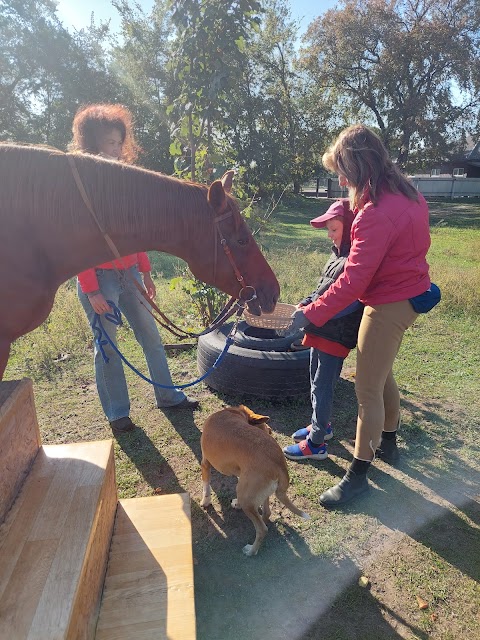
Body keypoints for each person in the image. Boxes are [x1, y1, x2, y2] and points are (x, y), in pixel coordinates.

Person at [289, 124, 434, 507]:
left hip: (389, 302)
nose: (339, 178)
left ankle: (357, 478)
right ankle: (388, 443)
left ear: (356, 166)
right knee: (380, 371)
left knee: (366, 390)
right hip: (408, 293)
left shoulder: (375, 212)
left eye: (341, 170)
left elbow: (353, 279)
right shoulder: (408, 193)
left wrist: (312, 313)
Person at [71, 104, 199, 434]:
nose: (114, 149)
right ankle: (118, 415)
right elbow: (78, 239)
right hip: (99, 279)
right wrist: (91, 288)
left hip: (129, 275)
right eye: (107, 143)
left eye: (117, 142)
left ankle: (169, 398)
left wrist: (145, 271)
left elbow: (135, 232)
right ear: (91, 144)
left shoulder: (124, 180)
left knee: (152, 338)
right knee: (108, 347)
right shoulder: (83, 185)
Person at [283, 199, 363, 461]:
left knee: (323, 384)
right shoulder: (337, 254)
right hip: (320, 327)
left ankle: (316, 444)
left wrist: (312, 315)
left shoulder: (355, 259)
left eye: (334, 229)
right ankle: (322, 426)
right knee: (314, 379)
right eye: (328, 229)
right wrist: (307, 302)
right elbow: (323, 289)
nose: (330, 235)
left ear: (351, 228)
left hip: (336, 332)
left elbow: (350, 302)